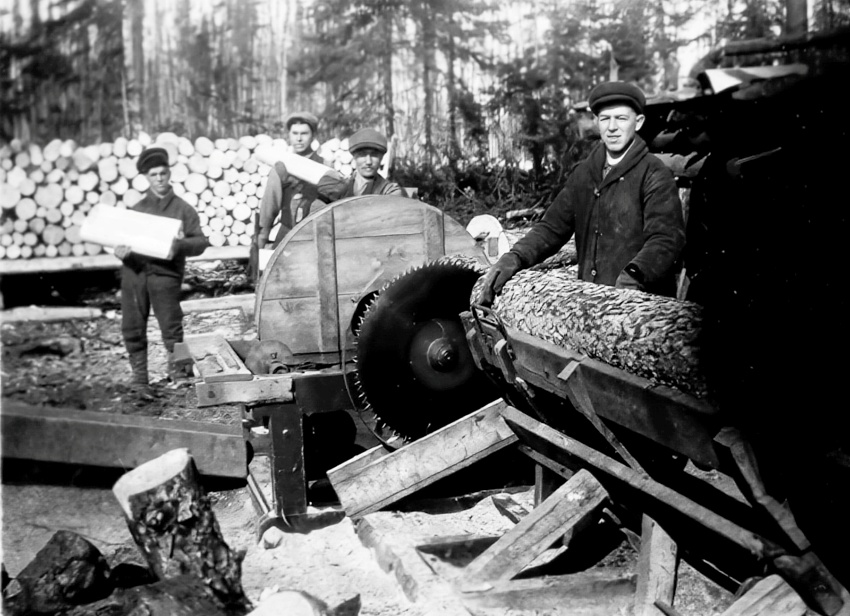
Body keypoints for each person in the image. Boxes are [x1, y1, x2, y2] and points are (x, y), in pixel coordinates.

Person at [478, 81, 685, 305]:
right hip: (590, 305)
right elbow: (551, 228)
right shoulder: (584, 174)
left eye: (621, 118)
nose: (612, 127)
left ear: (639, 122)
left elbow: (666, 239)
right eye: (605, 119)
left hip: (644, 307)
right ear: (597, 123)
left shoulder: (654, 173)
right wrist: (514, 257)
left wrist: (634, 275)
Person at [114, 147, 209, 387]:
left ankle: (180, 375)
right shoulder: (137, 210)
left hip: (165, 276)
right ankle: (139, 378)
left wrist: (178, 245)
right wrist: (121, 252)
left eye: (162, 173)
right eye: (153, 174)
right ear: (146, 177)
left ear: (169, 174)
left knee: (171, 326)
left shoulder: (183, 209)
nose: (159, 179)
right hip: (134, 274)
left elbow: (200, 242)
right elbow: (122, 241)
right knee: (132, 326)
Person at [257, 111, 328, 249]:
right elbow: (269, 207)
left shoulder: (324, 166)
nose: (299, 139)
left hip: (318, 235)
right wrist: (261, 238)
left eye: (304, 133)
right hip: (288, 233)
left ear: (313, 135)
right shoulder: (281, 168)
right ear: (288, 135)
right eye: (295, 133)